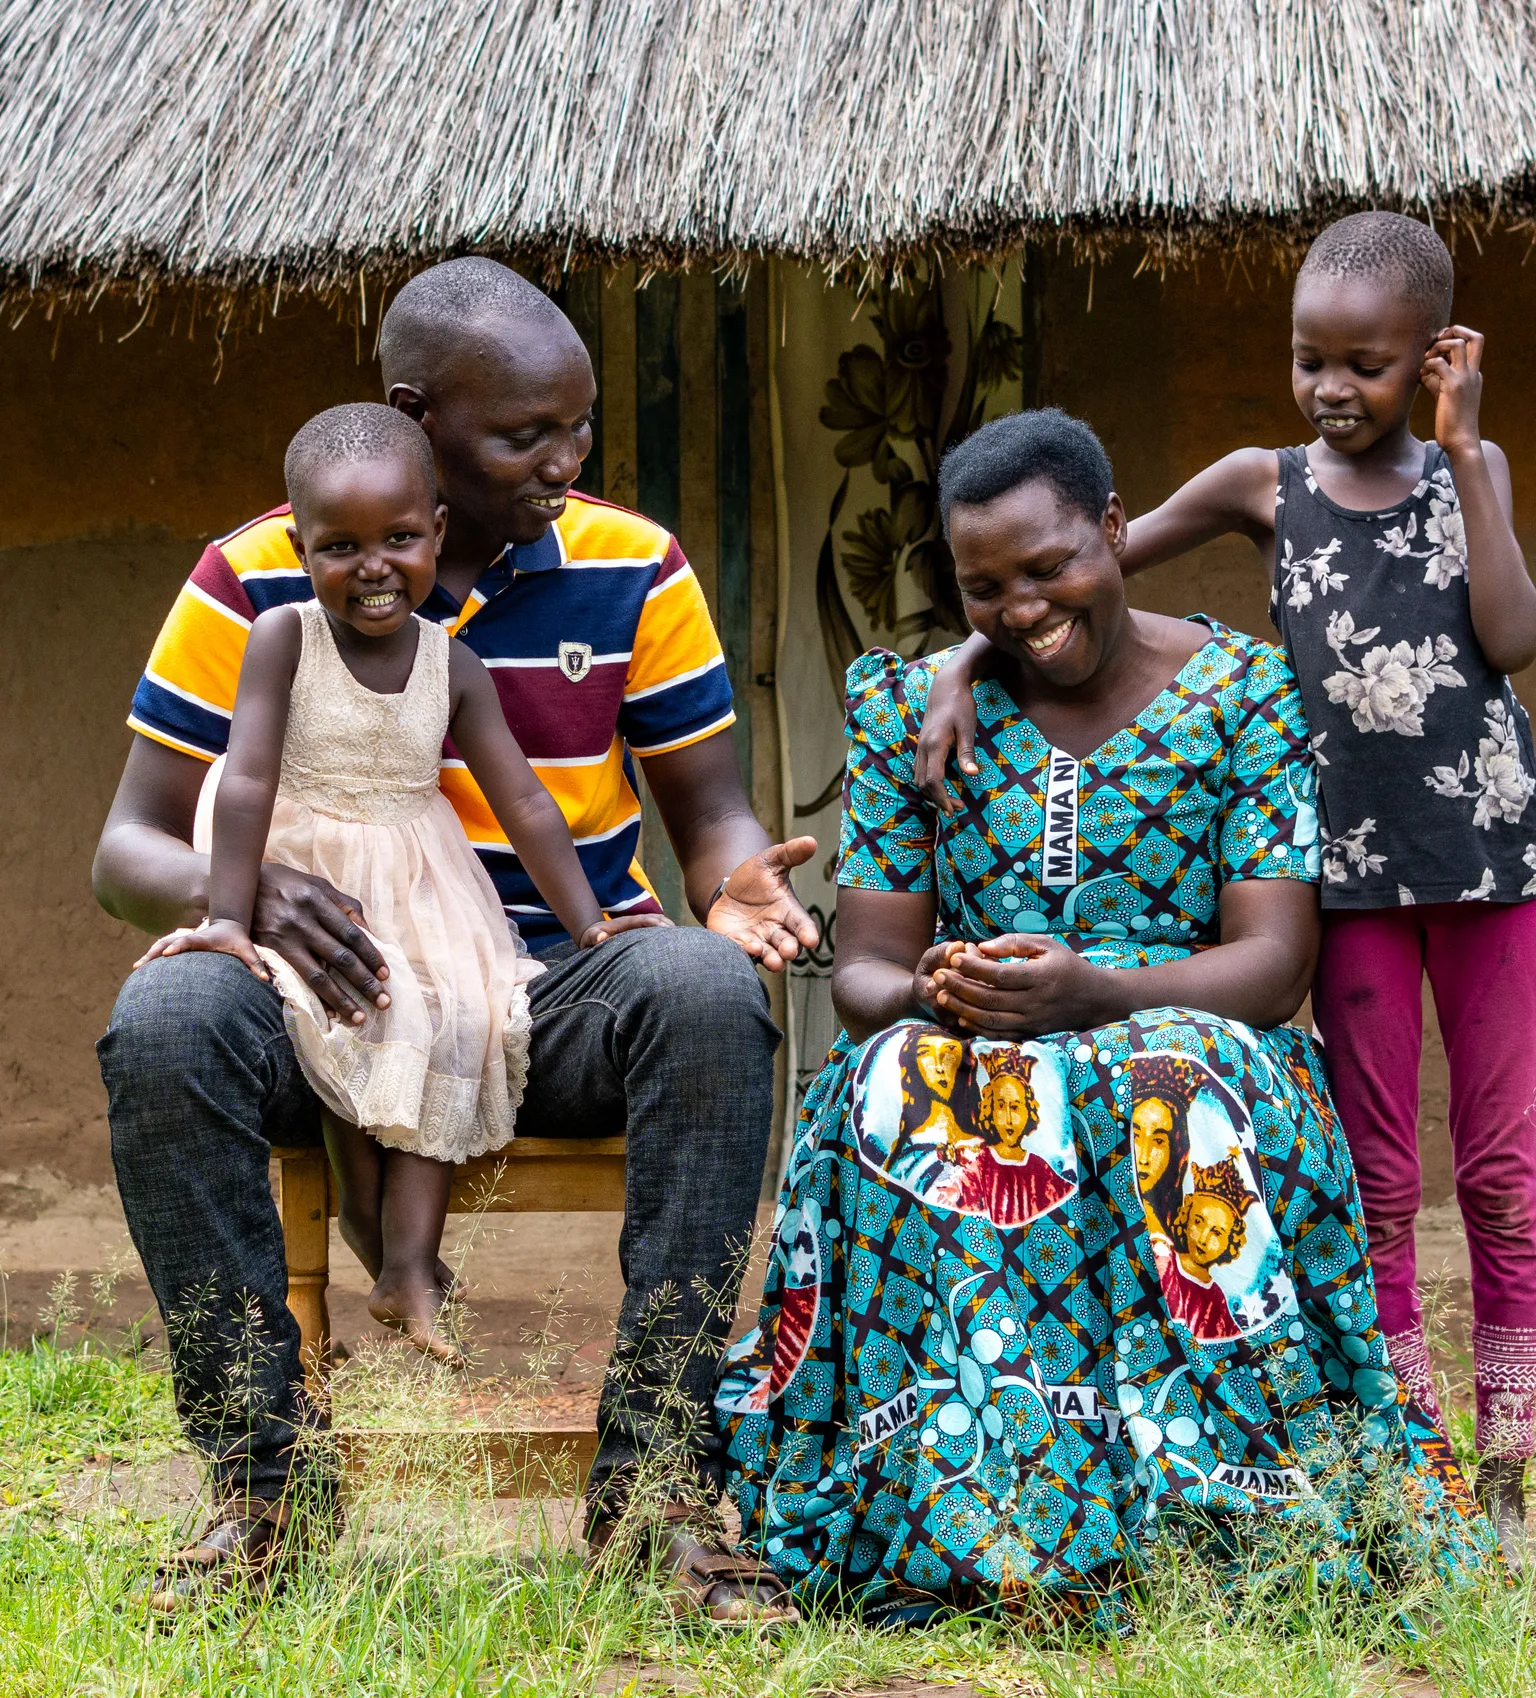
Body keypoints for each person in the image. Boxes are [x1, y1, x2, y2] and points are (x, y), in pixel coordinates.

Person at [93, 259, 812, 1621]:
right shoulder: (259, 572)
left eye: (579, 427)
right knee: (166, 1025)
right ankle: (264, 1489)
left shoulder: (631, 564)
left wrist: (739, 892)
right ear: (415, 414)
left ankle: (658, 1488)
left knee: (707, 987)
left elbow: (712, 815)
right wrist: (243, 892)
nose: (566, 461)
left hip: (556, 986)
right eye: (524, 435)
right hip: (329, 995)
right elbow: (125, 849)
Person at [716, 409, 1488, 1620]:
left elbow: (1274, 964)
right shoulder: (910, 711)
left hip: (1196, 1026)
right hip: (982, 1034)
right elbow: (867, 975)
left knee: (1165, 1078)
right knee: (894, 1083)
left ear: (1116, 530)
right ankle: (969, 1522)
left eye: (1050, 566)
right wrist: (940, 993)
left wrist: (1094, 995)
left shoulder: (1243, 695)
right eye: (985, 588)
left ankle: (1226, 1519)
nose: (1023, 607)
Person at [914, 214, 1536, 1552]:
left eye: (1365, 367)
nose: (1330, 390)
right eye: (1310, 360)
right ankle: (1408, 1451)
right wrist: (962, 662)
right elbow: (1074, 577)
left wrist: (1472, 450)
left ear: (1426, 360)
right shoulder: (1268, 480)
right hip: (1349, 878)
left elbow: (1511, 635)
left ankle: (1514, 1461)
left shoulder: (1454, 476)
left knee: (1501, 1169)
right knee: (1378, 1174)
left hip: (1487, 864)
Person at [135, 403, 672, 1362]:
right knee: (347, 1023)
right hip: (311, 871)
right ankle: (372, 1243)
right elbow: (249, 775)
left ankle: (411, 1268)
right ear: (300, 550)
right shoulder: (282, 640)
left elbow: (528, 805)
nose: (373, 566)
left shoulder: (452, 666)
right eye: (340, 546)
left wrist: (591, 926)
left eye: (398, 539)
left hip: (417, 878)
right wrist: (228, 914)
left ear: (437, 533)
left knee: (452, 1015)